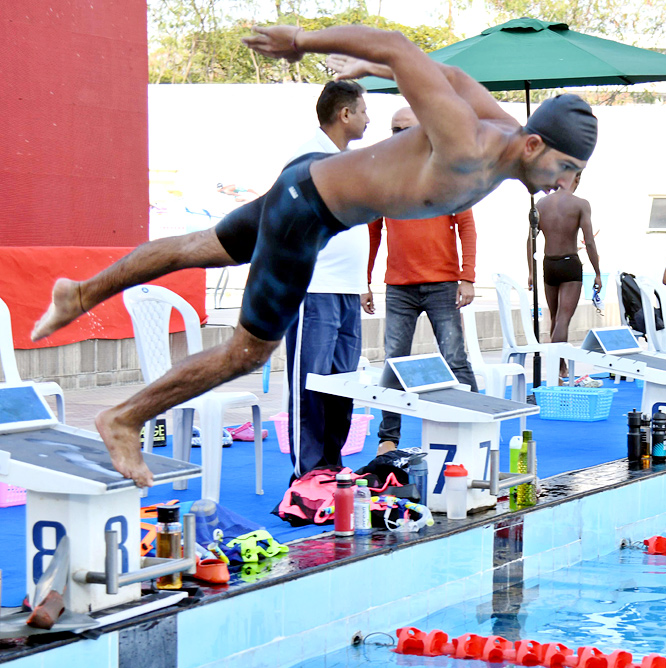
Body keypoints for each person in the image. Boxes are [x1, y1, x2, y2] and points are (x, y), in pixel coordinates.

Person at [31, 23, 598, 486]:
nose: (563, 183)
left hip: (307, 185)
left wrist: (377, 71)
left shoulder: (502, 128)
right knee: (246, 354)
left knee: (201, 247)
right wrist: (301, 42)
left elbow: (443, 73)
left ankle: (78, 293)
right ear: (533, 145)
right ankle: (124, 418)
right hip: (308, 215)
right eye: (565, 169)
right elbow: (399, 45)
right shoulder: (467, 144)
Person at [367, 108, 480, 455]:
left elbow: (467, 227)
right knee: (393, 362)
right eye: (394, 128)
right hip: (399, 287)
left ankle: (474, 421)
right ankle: (388, 438)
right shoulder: (383, 177)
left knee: (455, 357)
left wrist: (467, 276)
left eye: (406, 129)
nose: (399, 134)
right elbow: (372, 233)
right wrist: (364, 280)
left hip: (443, 285)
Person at [280, 80, 373, 479]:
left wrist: (361, 280)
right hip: (314, 290)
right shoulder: (307, 157)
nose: (369, 118)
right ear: (345, 114)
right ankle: (306, 474)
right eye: (364, 110)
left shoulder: (345, 160)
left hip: (346, 290)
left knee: (343, 384)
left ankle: (332, 467)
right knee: (310, 385)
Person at [530, 171, 601, 383]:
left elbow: (530, 239)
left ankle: (558, 370)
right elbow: (588, 241)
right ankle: (558, 368)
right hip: (569, 263)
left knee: (555, 319)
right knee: (563, 320)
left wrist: (530, 271)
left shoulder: (541, 204)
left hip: (548, 263)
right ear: (576, 179)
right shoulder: (580, 204)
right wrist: (597, 272)